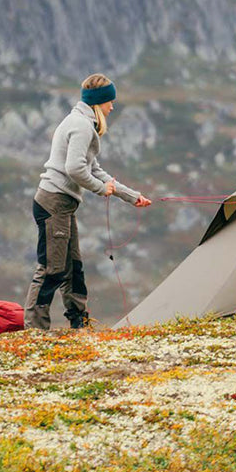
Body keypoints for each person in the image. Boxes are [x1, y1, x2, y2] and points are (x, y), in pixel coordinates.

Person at [24, 73, 151, 330]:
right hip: (54, 203)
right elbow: (75, 169)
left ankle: (79, 325)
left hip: (62, 204)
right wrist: (100, 189)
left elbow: (94, 169)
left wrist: (130, 196)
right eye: (109, 102)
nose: (112, 106)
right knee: (52, 269)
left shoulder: (81, 122)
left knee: (73, 269)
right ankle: (34, 331)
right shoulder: (81, 126)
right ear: (98, 102)